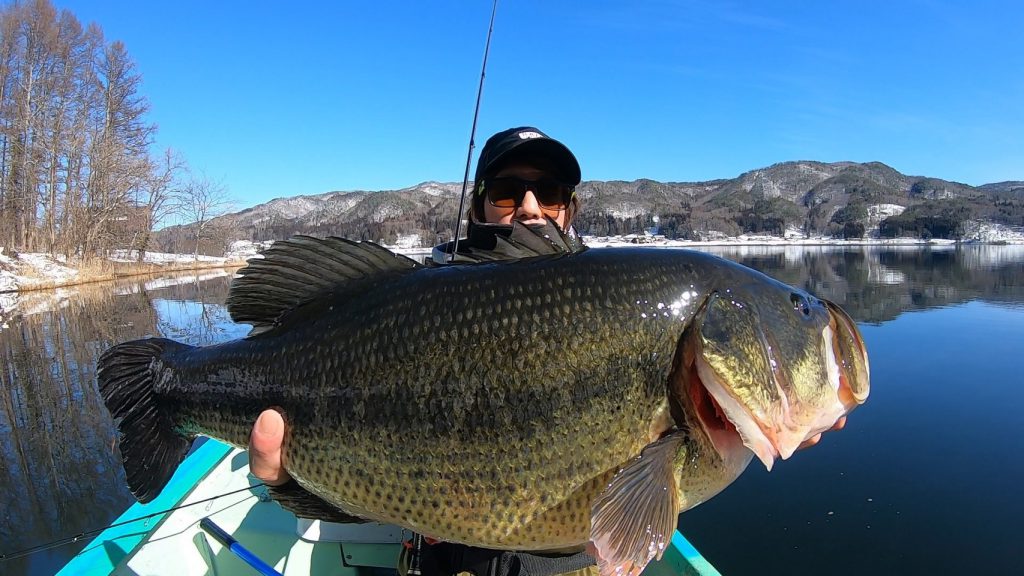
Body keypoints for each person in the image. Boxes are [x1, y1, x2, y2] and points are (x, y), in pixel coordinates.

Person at [247, 126, 846, 575]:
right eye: (509, 193)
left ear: (570, 209)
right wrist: (291, 481)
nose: (531, 207)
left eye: (550, 192)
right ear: (480, 205)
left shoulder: (623, 302)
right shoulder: (404, 297)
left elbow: (640, 505)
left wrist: (770, 415)